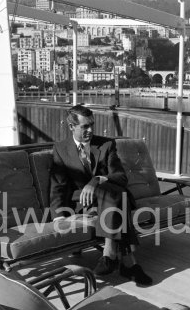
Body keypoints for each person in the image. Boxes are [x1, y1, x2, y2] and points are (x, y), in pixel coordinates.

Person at [50, 104, 152, 286]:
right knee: (120, 198)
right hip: (84, 203)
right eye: (84, 126)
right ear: (71, 126)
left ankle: (110, 254)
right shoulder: (60, 149)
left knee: (113, 193)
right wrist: (58, 217)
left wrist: (96, 179)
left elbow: (121, 176)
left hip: (109, 199)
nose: (90, 130)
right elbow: (58, 185)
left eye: (92, 125)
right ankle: (128, 264)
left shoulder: (106, 144)